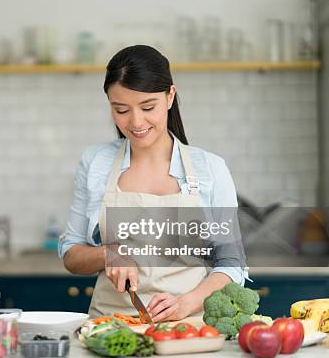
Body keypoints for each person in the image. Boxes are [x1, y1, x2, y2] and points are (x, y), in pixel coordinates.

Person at [58, 45, 247, 321]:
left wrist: (187, 302)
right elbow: (71, 254)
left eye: (148, 107)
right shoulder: (95, 163)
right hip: (112, 330)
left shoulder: (210, 169)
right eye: (121, 109)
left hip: (189, 329)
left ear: (170, 96)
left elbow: (232, 265)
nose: (136, 122)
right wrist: (108, 254)